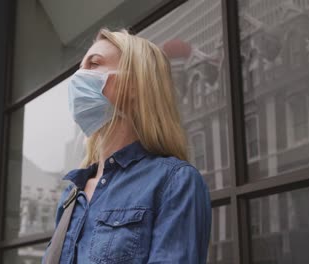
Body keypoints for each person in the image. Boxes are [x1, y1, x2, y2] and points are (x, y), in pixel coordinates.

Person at [43, 28, 211, 264]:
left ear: (133, 84)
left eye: (94, 64)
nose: (79, 77)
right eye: (80, 67)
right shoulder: (71, 195)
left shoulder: (174, 182)